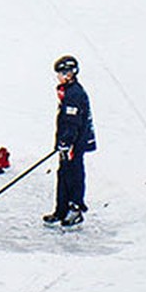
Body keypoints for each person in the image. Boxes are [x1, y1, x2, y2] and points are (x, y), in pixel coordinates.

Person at [44, 55, 96, 226]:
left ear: (70, 73)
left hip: (75, 143)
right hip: (69, 142)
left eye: (61, 73)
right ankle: (61, 210)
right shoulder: (68, 91)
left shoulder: (74, 94)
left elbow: (72, 122)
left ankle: (75, 209)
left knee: (73, 174)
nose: (58, 76)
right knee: (63, 174)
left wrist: (67, 142)